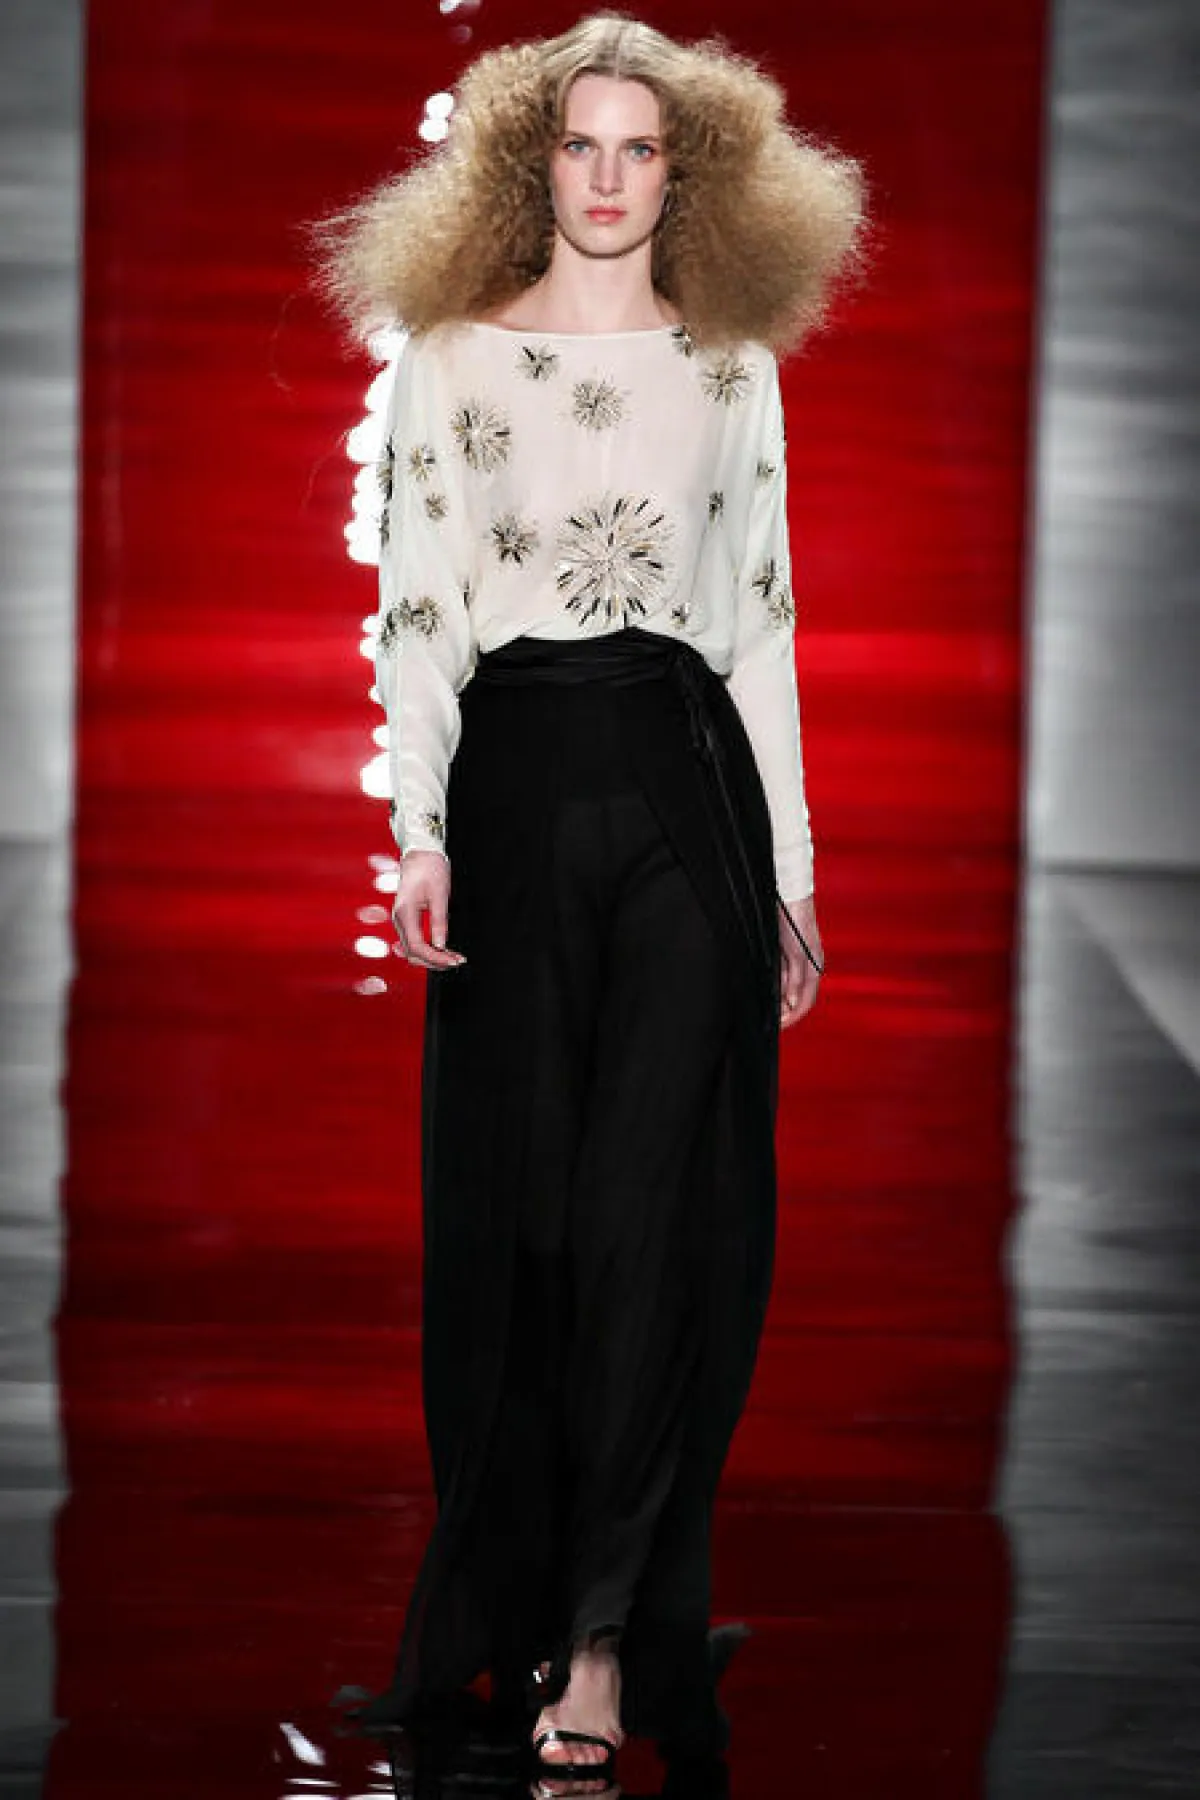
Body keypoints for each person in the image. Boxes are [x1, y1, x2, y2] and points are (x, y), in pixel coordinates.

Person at [316, 9, 865, 1782]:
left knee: (655, 1228)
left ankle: (608, 1642)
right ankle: (531, 1598)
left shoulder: (732, 367)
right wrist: (419, 830)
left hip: (688, 791)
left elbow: (762, 625)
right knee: (530, 1227)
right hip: (519, 786)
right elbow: (417, 607)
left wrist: (790, 877)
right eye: (581, 145)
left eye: (641, 149)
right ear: (528, 163)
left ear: (684, 174)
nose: (610, 177)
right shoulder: (451, 360)